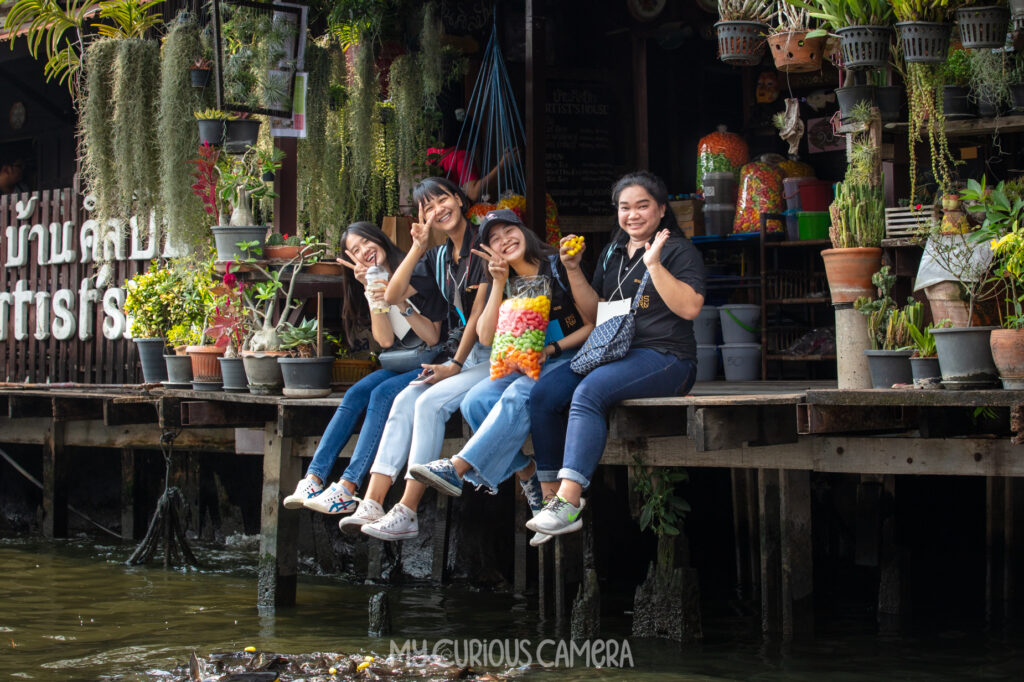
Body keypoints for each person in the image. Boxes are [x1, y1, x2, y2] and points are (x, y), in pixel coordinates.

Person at [526, 171, 706, 537]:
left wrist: (654, 265)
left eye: (643, 206)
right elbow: (595, 314)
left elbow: (690, 309)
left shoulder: (678, 250)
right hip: (612, 351)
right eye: (625, 207)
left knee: (589, 392)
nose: (633, 215)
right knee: (543, 394)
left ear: (660, 210)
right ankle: (549, 502)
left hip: (667, 357)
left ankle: (569, 501)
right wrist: (574, 270)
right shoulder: (611, 252)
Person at [408, 209, 594, 546]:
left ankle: (458, 467)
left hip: (566, 357)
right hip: (521, 361)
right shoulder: (500, 279)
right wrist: (495, 283)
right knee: (476, 401)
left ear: (525, 231)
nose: (503, 240)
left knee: (516, 395)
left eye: (509, 231)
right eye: (493, 238)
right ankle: (528, 474)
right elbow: (484, 337)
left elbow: (592, 325)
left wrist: (550, 349)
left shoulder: (556, 265)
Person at [341, 176, 491, 540]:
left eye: (442, 200)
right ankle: (373, 501)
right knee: (405, 399)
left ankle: (407, 509)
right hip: (463, 357)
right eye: (427, 207)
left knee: (426, 404)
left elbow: (476, 317)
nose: (438, 210)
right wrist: (417, 248)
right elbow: (392, 294)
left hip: (489, 353)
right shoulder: (440, 256)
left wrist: (453, 364)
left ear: (459, 199)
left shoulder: (485, 243)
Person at [282, 223, 446, 512]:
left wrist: (395, 294)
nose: (363, 252)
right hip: (401, 360)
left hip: (435, 361)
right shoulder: (374, 280)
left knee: (382, 394)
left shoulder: (417, 270)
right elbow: (384, 340)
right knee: (356, 393)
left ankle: (348, 485)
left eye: (365, 243)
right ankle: (313, 477)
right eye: (355, 251)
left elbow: (432, 337)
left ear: (379, 239)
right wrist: (372, 289)